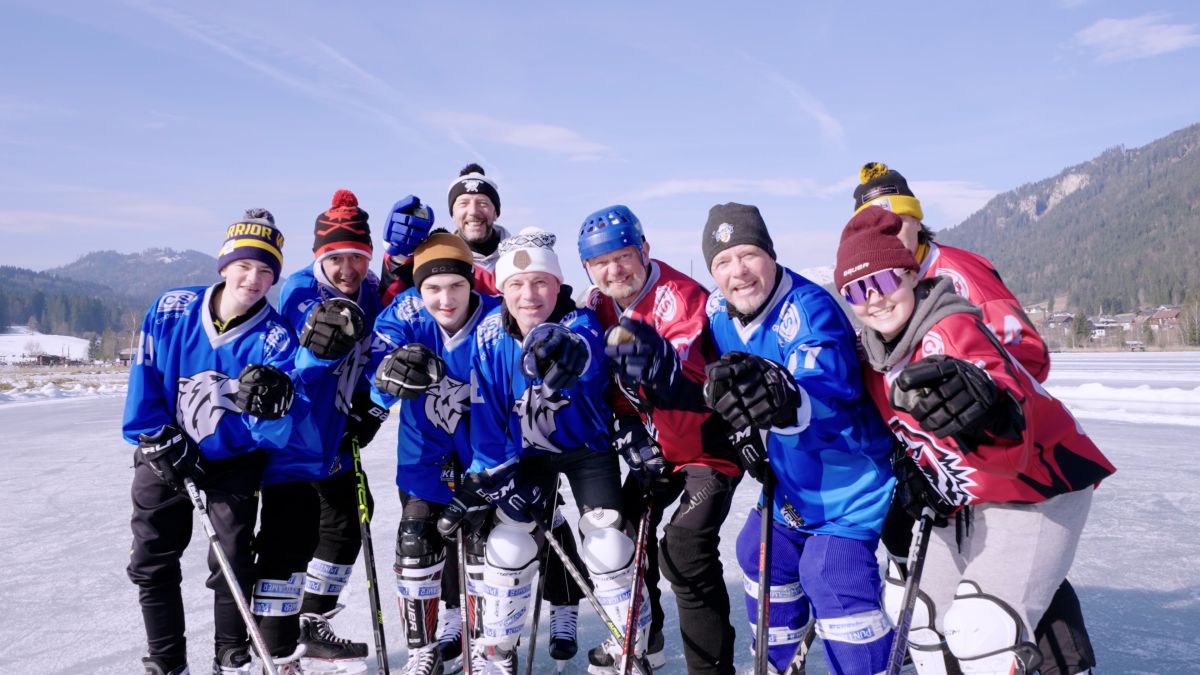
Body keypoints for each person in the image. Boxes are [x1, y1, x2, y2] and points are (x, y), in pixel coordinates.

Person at [610, 203, 898, 674]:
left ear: (771, 254)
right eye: (722, 263)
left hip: (848, 484)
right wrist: (670, 372)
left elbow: (823, 389)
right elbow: (714, 385)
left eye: (748, 255)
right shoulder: (722, 314)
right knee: (759, 553)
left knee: (829, 571)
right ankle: (780, 664)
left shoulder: (808, 311)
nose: (737, 272)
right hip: (791, 483)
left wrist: (784, 400)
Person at [834, 205, 1116, 674]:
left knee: (983, 627)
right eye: (857, 290)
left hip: (1037, 489)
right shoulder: (874, 355)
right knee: (917, 611)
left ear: (909, 275)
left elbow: (1011, 414)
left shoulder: (953, 331)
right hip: (966, 496)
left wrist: (989, 413)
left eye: (884, 282)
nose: (875, 299)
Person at [439, 228, 646, 675]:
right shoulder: (490, 334)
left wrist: (562, 351)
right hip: (525, 455)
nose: (529, 295)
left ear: (558, 285)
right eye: (516, 284)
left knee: (607, 540)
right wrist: (490, 474)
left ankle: (628, 644)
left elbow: (583, 353)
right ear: (501, 289)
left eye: (540, 283)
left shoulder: (581, 323)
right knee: (509, 542)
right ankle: (498, 649)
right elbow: (487, 409)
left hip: (586, 448)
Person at [124, 210, 299, 675]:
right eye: (245, 265)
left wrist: (263, 416)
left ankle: (230, 652)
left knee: (233, 555)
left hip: (231, 464)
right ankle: (166, 660)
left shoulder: (277, 338)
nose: (254, 278)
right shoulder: (171, 308)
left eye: (266, 270)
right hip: (163, 452)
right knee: (151, 559)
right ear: (224, 265)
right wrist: (157, 435)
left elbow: (275, 431)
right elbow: (145, 379)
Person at [577, 205, 741, 675]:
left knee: (684, 551)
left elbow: (684, 374)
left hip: (709, 451)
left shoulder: (677, 296)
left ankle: (711, 670)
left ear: (645, 249)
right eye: (600, 262)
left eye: (624, 256)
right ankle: (642, 640)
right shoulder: (600, 304)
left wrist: (660, 369)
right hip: (660, 449)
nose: (614, 270)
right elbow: (611, 385)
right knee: (619, 539)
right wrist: (628, 427)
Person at [251, 190, 387, 672]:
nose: (347, 268)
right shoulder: (298, 293)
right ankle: (277, 650)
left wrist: (372, 405)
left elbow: (378, 350)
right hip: (292, 438)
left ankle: (312, 621)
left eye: (357, 257)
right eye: (336, 258)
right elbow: (286, 368)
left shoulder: (368, 288)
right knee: (289, 540)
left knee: (348, 523)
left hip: (337, 432)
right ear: (319, 257)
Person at [369, 232, 501, 675]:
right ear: (418, 288)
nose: (445, 299)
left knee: (485, 551)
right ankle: (422, 649)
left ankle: (485, 647)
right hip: (423, 452)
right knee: (415, 544)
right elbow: (380, 349)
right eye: (432, 288)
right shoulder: (407, 310)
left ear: (472, 284)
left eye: (456, 286)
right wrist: (386, 370)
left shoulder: (496, 318)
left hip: (485, 454)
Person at [380, 164, 506, 304]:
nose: (473, 211)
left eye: (483, 203)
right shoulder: (434, 257)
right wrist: (398, 257)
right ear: (453, 215)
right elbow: (393, 305)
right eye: (463, 204)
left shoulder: (519, 255)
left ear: (496, 213)